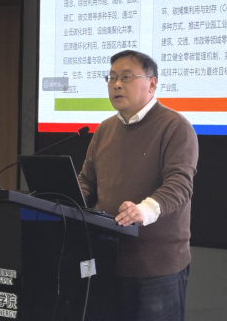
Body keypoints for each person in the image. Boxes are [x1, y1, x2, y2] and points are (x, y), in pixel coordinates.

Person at [78, 49, 199, 321]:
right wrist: (66, 199)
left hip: (155, 265)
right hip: (105, 259)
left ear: (152, 84)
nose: (116, 85)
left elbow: (180, 184)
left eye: (126, 77)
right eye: (111, 78)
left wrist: (143, 210)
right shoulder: (104, 129)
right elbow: (87, 181)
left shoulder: (175, 126)